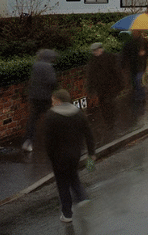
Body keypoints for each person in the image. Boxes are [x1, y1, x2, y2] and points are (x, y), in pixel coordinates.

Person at [43, 89, 95, 223]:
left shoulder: (51, 116)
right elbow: (89, 134)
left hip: (59, 157)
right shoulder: (78, 113)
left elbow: (48, 141)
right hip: (75, 154)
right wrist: (91, 153)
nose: (52, 104)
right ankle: (82, 197)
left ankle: (67, 214)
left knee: (62, 185)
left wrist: (51, 157)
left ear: (58, 101)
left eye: (53, 101)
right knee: (73, 175)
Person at [22, 48, 58, 152]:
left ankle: (28, 141)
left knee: (32, 119)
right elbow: (52, 81)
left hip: (34, 97)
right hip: (45, 97)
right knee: (51, 117)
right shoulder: (48, 66)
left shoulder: (36, 65)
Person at [86, 42, 123, 132]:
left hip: (111, 86)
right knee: (103, 105)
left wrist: (120, 84)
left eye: (97, 50)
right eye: (94, 51)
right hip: (100, 88)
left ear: (101, 49)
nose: (95, 52)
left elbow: (116, 71)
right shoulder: (93, 61)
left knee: (110, 103)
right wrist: (90, 88)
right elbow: (90, 75)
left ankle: (112, 121)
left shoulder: (110, 57)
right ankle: (108, 122)